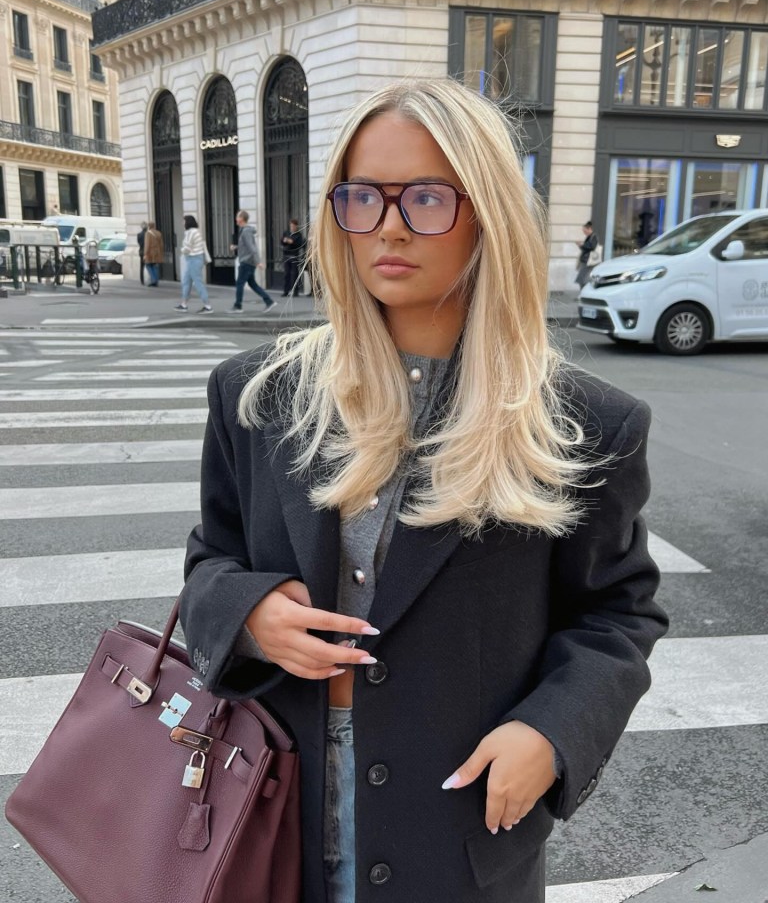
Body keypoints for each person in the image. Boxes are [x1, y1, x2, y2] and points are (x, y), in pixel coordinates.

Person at [180, 79, 667, 903]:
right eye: (363, 197)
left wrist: (551, 731)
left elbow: (620, 613)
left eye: (429, 197)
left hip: (460, 837)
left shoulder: (583, 424)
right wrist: (248, 616)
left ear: (488, 214)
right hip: (269, 818)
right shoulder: (257, 396)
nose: (390, 226)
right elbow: (209, 563)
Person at [228, 210, 276, 313]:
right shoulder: (245, 231)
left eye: (237, 217)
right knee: (252, 284)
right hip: (248, 261)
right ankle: (269, 301)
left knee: (240, 283)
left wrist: (258, 262)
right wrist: (236, 247)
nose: (236, 219)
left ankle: (238, 306)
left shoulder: (245, 231)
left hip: (247, 262)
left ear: (241, 219)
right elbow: (246, 246)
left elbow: (251, 247)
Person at [175, 215, 212, 313]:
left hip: (193, 259)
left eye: (183, 221)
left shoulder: (191, 232)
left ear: (188, 222)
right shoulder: (194, 231)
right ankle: (184, 304)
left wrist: (181, 250)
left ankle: (207, 306)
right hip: (193, 259)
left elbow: (187, 248)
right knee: (186, 281)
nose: (182, 223)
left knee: (198, 283)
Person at [281, 217, 307, 297]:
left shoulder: (299, 235)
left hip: (294, 256)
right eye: (291, 226)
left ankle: (295, 292)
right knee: (286, 274)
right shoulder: (286, 233)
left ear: (296, 226)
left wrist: (292, 242)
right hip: (286, 255)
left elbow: (300, 245)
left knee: (294, 274)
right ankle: (286, 291)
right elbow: (282, 241)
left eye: (293, 226)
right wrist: (284, 241)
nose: (292, 227)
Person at [575, 220, 598, 289]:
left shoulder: (593, 237)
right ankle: (583, 295)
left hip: (588, 261)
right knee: (583, 279)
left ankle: (583, 295)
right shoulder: (589, 237)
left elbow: (592, 247)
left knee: (582, 279)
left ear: (589, 229)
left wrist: (582, 245)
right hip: (586, 260)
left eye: (584, 231)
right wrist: (581, 245)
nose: (584, 232)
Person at [143, 222, 163, 287]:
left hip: (150, 253)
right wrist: (160, 253)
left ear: (149, 226)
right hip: (157, 252)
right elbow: (161, 244)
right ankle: (156, 280)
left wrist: (145, 254)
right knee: (155, 266)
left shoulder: (148, 233)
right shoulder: (159, 233)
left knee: (148, 266)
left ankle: (153, 280)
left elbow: (147, 244)